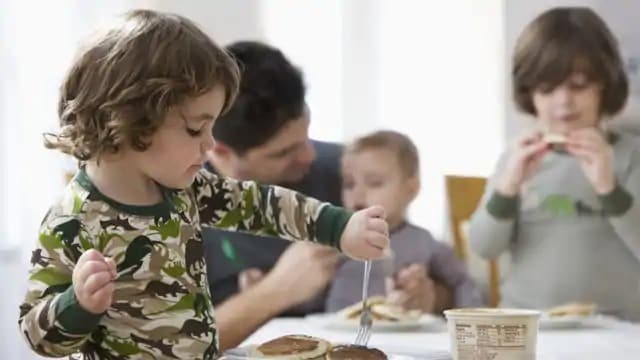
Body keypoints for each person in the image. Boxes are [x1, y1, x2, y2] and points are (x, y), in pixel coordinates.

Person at [18, 11, 389, 359]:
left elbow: (263, 206)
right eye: (196, 128)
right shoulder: (71, 221)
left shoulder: (186, 190)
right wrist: (78, 305)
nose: (210, 145)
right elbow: (37, 336)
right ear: (132, 118)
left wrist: (341, 227)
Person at [468, 7, 640, 320]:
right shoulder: (515, 158)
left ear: (605, 85)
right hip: (527, 324)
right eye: (547, 89)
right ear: (529, 93)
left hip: (616, 328)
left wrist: (609, 188)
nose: (563, 101)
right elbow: (484, 247)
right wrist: (507, 189)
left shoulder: (631, 156)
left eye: (578, 85)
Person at [202, 41, 345, 349]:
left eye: (306, 136)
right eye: (285, 152)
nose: (308, 156)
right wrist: (276, 292)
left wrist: (428, 292)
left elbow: (427, 268)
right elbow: (167, 347)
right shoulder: (169, 205)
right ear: (221, 152)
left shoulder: (348, 172)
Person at [327, 130, 484, 313]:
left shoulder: (425, 243)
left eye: (375, 182)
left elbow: (464, 284)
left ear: (411, 189)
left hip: (404, 335)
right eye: (349, 184)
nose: (358, 194)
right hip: (336, 332)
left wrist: (465, 321)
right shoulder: (337, 242)